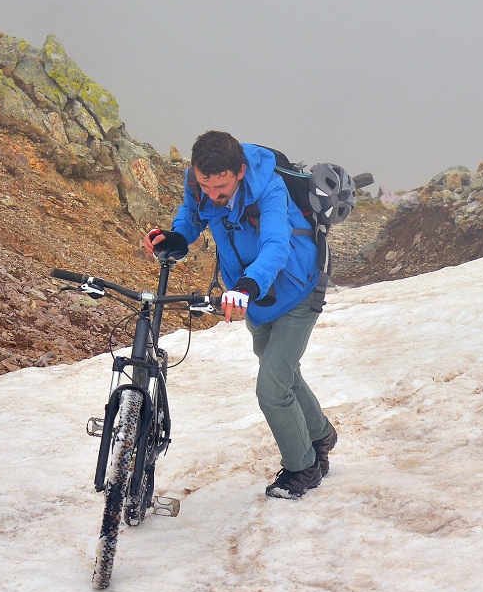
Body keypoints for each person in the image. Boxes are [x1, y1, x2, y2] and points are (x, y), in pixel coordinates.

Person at [143, 130, 337, 500]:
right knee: (280, 370)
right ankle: (321, 434)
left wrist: (247, 287)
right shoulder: (198, 184)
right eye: (205, 185)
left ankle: (304, 466)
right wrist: (177, 238)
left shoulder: (271, 188)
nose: (213, 195)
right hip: (254, 296)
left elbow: (276, 245)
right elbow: (193, 215)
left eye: (223, 188)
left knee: (272, 387)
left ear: (241, 171)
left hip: (296, 287)